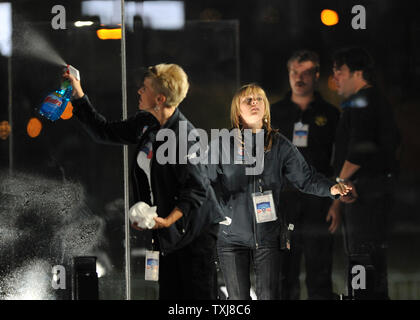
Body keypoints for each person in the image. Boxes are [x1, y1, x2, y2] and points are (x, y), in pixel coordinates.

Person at [64, 63, 223, 300]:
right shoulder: (148, 123)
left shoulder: (185, 136)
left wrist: (166, 220)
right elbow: (104, 131)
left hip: (195, 231)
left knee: (195, 297)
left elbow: (196, 189)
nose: (139, 91)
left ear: (159, 98)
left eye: (145, 87)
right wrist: (78, 94)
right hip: (169, 231)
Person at [208, 83, 351, 300]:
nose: (255, 102)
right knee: (237, 302)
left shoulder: (279, 144)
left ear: (265, 108)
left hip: (267, 236)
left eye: (259, 99)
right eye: (248, 100)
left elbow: (306, 178)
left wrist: (331, 188)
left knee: (270, 297)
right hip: (231, 238)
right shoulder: (221, 144)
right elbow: (204, 184)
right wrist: (217, 214)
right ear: (237, 109)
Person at [330, 47, 400, 299]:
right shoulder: (376, 101)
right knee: (373, 263)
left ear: (357, 73)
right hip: (374, 192)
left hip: (365, 195)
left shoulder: (363, 101)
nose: (335, 77)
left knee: (362, 260)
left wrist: (340, 183)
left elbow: (359, 149)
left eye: (340, 71)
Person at [270, 50, 340, 300]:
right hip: (283, 202)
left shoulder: (331, 115)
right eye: (294, 73)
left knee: (319, 273)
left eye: (306, 73)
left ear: (316, 75)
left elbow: (339, 161)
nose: (299, 79)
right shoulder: (274, 113)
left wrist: (336, 202)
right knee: (283, 276)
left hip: (318, 203)